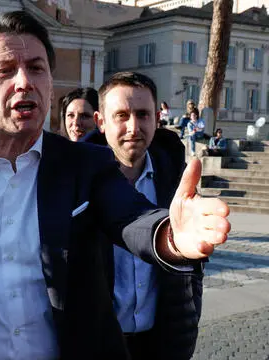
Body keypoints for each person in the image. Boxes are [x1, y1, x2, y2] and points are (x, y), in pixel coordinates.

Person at [0, 11, 230, 360]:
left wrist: (171, 236)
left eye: (37, 68)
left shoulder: (86, 165)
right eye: (5, 71)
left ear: (51, 83)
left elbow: (131, 217)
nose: (24, 82)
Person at [86, 71, 202, 360]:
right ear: (100, 121)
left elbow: (194, 270)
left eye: (142, 114)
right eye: (121, 115)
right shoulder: (79, 183)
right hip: (100, 343)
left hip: (163, 343)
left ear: (157, 118)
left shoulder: (176, 179)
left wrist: (187, 322)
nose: (133, 127)